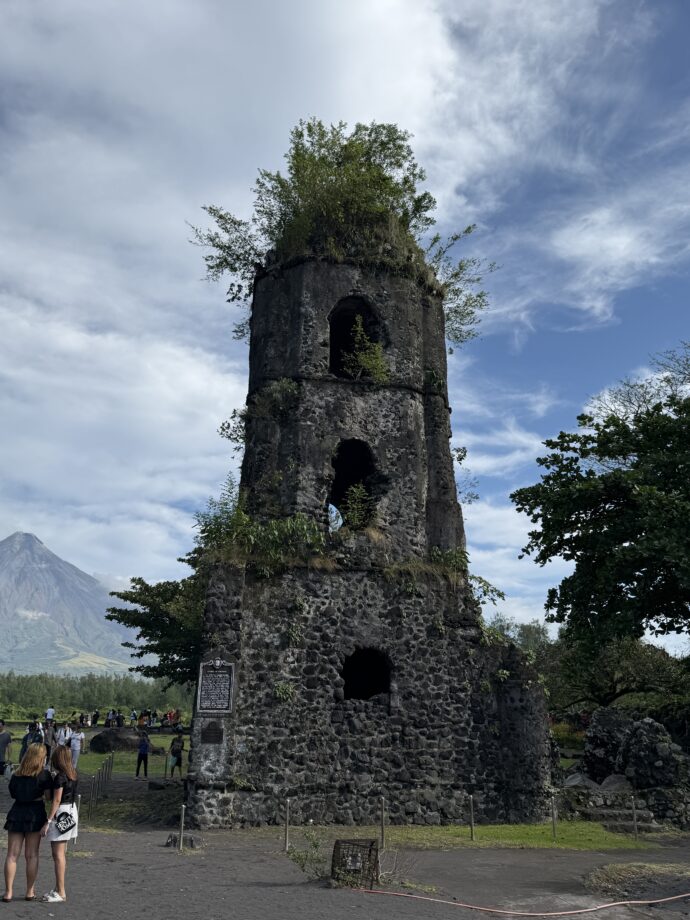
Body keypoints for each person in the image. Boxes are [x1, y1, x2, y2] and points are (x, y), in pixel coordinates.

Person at [2, 743, 51, 902]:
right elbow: (48, 797)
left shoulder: (16, 774)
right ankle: (29, 891)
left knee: (12, 855)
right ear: (41, 757)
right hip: (35, 813)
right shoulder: (44, 775)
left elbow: (12, 793)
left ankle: (8, 892)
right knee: (31, 855)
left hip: (17, 812)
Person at [41, 745, 78, 903]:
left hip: (61, 813)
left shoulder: (60, 777)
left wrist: (48, 821)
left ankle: (61, 892)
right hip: (71, 810)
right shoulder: (73, 773)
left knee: (58, 855)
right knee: (61, 853)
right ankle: (58, 888)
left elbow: (55, 800)